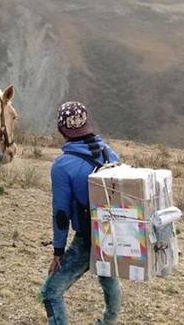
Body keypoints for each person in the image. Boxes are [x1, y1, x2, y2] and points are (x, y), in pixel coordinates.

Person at [39, 101, 122, 325]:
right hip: (113, 232)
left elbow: (61, 214)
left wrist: (58, 251)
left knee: (50, 292)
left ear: (61, 130)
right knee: (107, 275)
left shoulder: (63, 165)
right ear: (87, 125)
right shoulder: (109, 152)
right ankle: (109, 320)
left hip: (88, 237)